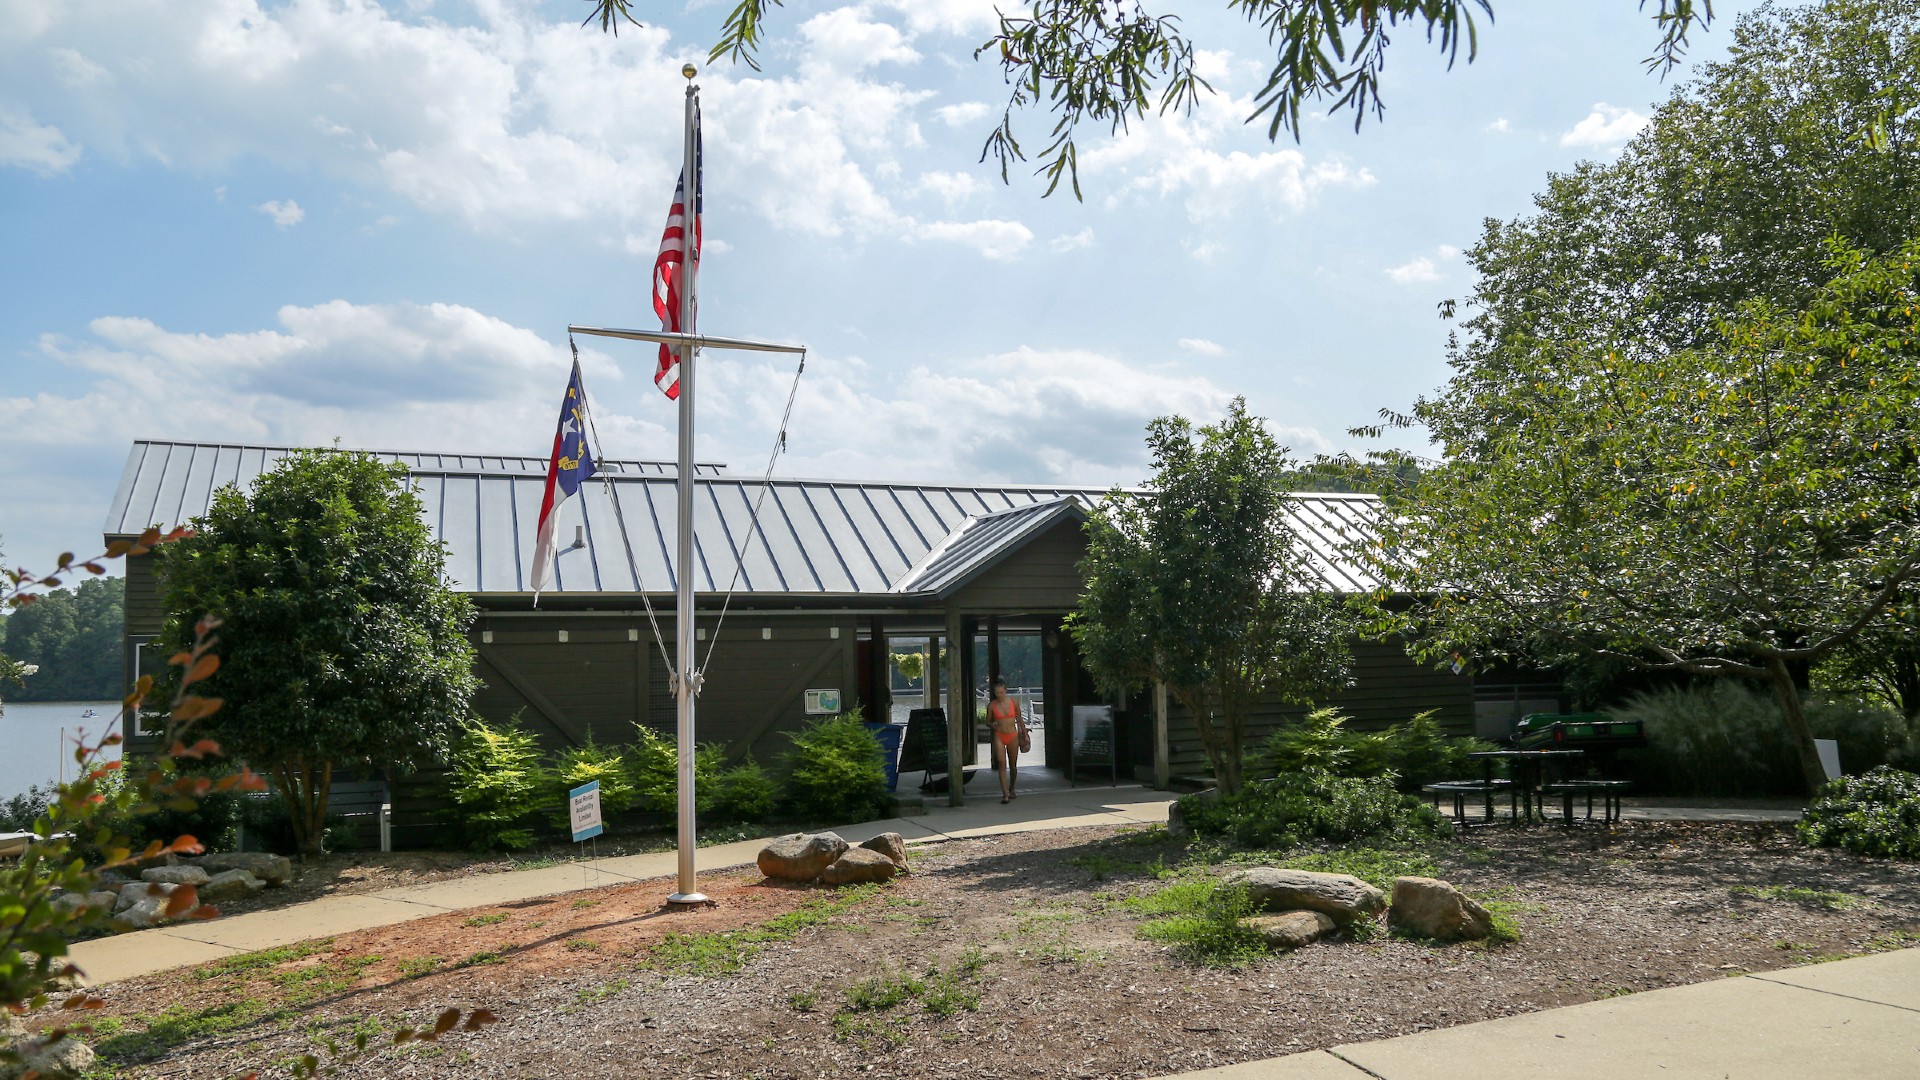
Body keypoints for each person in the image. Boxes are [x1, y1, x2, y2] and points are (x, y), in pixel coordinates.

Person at [986, 677, 1026, 803]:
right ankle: (1005, 794)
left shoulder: (1014, 702)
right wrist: (992, 725)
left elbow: (1019, 719)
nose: (999, 695)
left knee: (1013, 765)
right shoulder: (992, 705)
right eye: (997, 693)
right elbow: (988, 721)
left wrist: (1024, 734)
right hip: (999, 735)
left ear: (1006, 690)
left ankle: (1012, 788)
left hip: (1012, 735)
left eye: (1001, 692)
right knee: (1002, 763)